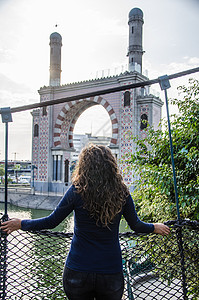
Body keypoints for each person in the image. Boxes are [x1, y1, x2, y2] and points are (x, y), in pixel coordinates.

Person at [1, 144, 170, 300]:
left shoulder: (76, 190)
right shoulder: (122, 192)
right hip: (110, 272)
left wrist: (21, 223)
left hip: (77, 271)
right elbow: (136, 226)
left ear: (84, 165)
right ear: (111, 165)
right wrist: (155, 227)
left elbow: (52, 221)